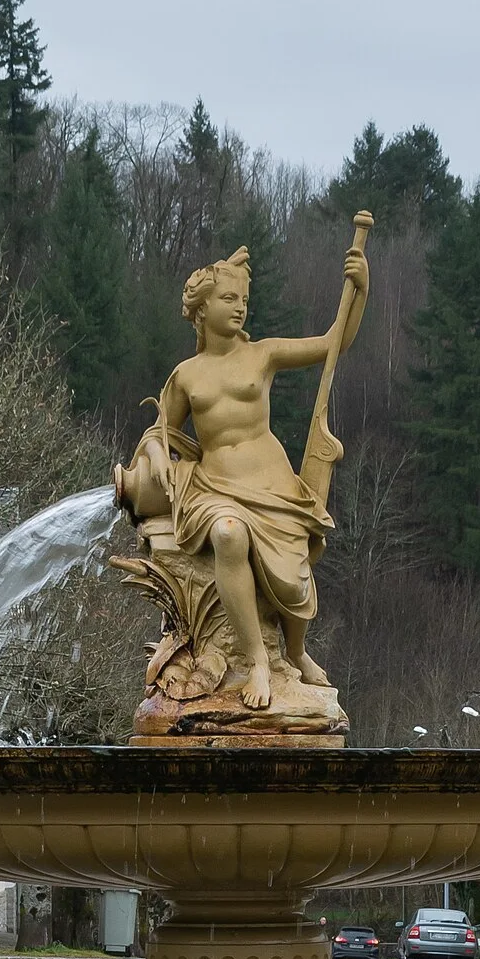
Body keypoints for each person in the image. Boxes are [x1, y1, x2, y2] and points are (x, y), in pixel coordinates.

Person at [146, 240, 370, 710]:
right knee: (229, 535)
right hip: (216, 488)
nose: (240, 308)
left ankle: (293, 651)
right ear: (201, 309)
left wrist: (361, 288)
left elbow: (334, 343)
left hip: (272, 484)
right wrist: (161, 459)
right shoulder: (186, 375)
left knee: (295, 575)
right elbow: (159, 432)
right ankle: (257, 661)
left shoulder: (263, 355)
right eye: (229, 299)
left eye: (244, 301)